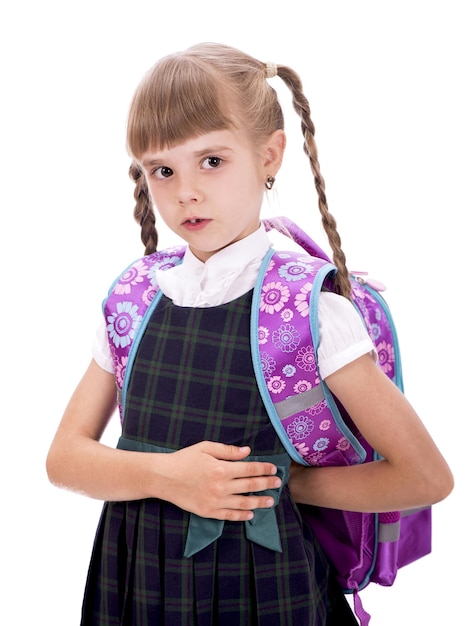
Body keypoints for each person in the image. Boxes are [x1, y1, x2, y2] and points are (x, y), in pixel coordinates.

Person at [46, 42, 453, 626]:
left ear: (270, 154)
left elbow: (424, 476)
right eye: (163, 169)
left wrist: (283, 485)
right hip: (137, 577)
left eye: (211, 161)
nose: (185, 190)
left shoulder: (310, 312)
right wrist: (170, 478)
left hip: (263, 587)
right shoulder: (133, 301)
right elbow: (64, 459)